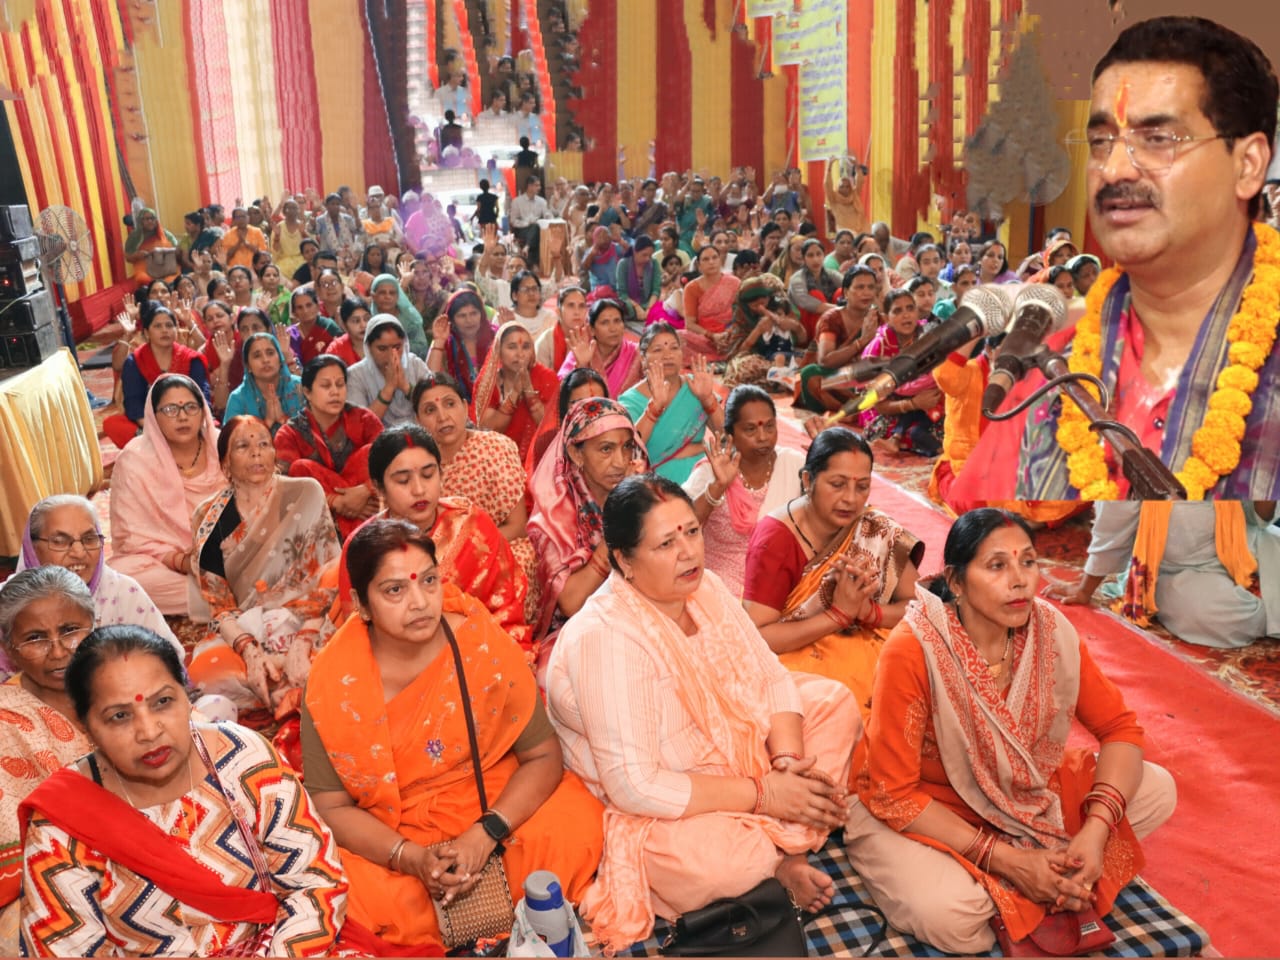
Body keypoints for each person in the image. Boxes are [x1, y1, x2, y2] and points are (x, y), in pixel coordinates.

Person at [955, 16, 1280, 501]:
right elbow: (982, 528)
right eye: (1101, 142)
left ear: (1248, 165)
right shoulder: (1049, 367)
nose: (1113, 170)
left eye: (1158, 139)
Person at [546, 474, 860, 952]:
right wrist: (764, 795)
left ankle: (786, 840)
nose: (689, 552)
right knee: (718, 864)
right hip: (666, 793)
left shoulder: (705, 588)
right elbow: (635, 785)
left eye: (692, 532)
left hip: (739, 751)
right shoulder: (605, 638)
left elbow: (770, 677)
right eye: (666, 543)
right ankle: (782, 852)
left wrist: (787, 765)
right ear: (624, 560)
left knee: (834, 704)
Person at [845, 508, 1177, 954]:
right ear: (956, 581)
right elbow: (896, 794)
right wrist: (1010, 861)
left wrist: (1095, 833)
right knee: (952, 917)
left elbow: (1119, 729)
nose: (1019, 580)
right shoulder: (914, 649)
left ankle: (1040, 879)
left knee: (1157, 789)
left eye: (1028, 562)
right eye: (997, 565)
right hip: (925, 808)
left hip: (1021, 796)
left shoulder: (1051, 631)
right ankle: (1032, 881)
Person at [303, 520, 601, 954]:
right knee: (343, 889)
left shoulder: (477, 641)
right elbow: (331, 807)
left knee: (578, 820)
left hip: (493, 808)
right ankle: (512, 912)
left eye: (428, 581)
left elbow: (542, 755)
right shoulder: (333, 682)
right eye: (394, 590)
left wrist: (485, 834)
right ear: (361, 605)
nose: (420, 602)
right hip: (393, 830)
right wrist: (411, 857)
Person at [20, 625, 347, 957]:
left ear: (186, 694)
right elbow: (64, 948)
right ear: (84, 725)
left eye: (163, 702)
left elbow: (314, 883)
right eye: (119, 716)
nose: (149, 732)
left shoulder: (243, 760)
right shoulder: (63, 822)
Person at [743, 428, 923, 716]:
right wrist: (838, 615)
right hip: (798, 654)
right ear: (807, 480)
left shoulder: (873, 528)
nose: (851, 499)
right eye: (837, 484)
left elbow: (919, 607)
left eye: (862, 487)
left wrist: (869, 613)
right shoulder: (776, 539)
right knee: (838, 702)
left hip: (867, 641)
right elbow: (759, 637)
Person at [187, 416, 340, 717]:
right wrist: (251, 652)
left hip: (310, 618)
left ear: (274, 453)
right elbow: (219, 604)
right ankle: (295, 688)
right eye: (243, 446)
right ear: (225, 463)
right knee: (204, 675)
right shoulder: (207, 516)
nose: (256, 452)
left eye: (264, 444)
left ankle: (284, 685)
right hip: (248, 624)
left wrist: (302, 644)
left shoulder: (305, 493)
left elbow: (329, 575)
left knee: (351, 647)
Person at [333, 426, 532, 651]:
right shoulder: (363, 547)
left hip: (477, 648)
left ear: (441, 474)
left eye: (428, 475)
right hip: (398, 658)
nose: (419, 490)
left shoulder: (471, 523)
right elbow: (360, 629)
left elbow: (505, 607)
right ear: (379, 488)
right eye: (403, 481)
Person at [0, 568, 94, 951]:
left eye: (71, 630)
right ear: (8, 648)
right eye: (35, 638)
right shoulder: (5, 721)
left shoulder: (125, 684)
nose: (58, 652)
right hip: (45, 880)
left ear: (94, 626)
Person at [1048, 500, 1280, 648]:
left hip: (1242, 545)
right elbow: (1112, 526)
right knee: (1214, 615)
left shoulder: (1237, 437)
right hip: (1171, 569)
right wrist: (1085, 589)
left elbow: (1258, 518)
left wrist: (1267, 469)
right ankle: (1266, 615)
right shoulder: (1135, 446)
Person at [414, 372, 541, 623]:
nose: (442, 417)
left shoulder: (495, 447)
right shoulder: (417, 464)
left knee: (519, 561)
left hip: (497, 544)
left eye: (450, 404)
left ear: (465, 407)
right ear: (418, 421)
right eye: (430, 410)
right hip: (435, 555)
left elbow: (517, 526)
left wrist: (464, 554)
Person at [527, 398, 648, 647]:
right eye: (606, 449)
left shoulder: (639, 490)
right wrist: (618, 521)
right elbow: (571, 603)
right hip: (579, 634)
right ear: (576, 453)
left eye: (627, 447)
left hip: (641, 617)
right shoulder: (553, 520)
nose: (620, 461)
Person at [108, 376, 225, 617]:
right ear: (154, 416)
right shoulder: (135, 460)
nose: (182, 417)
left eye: (190, 407)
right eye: (171, 410)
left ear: (203, 412)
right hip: (168, 564)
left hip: (228, 552)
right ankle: (227, 597)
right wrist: (181, 561)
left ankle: (221, 595)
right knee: (119, 578)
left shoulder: (224, 446)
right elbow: (131, 537)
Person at [682, 386, 806, 597]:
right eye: (750, 429)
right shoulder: (712, 470)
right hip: (721, 586)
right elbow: (682, 526)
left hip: (779, 580)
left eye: (769, 427)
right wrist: (718, 486)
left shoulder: (794, 465)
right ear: (730, 433)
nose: (763, 437)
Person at [14, 496, 177, 652]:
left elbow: (168, 656)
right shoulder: (10, 605)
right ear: (32, 548)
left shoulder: (123, 593)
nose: (79, 552)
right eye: (60, 541)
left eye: (89, 538)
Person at [275, 356, 384, 541]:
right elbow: (285, 487)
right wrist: (338, 502)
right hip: (320, 523)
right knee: (300, 468)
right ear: (307, 392)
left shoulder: (363, 419)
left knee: (372, 452)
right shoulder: (290, 434)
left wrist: (365, 490)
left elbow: (394, 461)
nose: (335, 392)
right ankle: (354, 538)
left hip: (370, 506)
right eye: (326, 385)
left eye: (340, 384)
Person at [620, 323, 725, 483]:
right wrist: (653, 409)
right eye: (658, 350)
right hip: (657, 482)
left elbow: (726, 435)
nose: (667, 355)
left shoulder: (695, 386)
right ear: (643, 358)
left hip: (703, 472)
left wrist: (707, 399)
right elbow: (629, 452)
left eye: (674, 348)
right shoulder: (631, 401)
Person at [104, 303, 212, 450]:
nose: (164, 330)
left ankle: (166, 445)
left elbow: (202, 396)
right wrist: (157, 431)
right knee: (113, 425)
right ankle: (155, 444)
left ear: (176, 330)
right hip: (150, 423)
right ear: (147, 333)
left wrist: (191, 422)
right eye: (158, 326)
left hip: (187, 418)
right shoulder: (135, 362)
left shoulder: (191, 359)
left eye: (169, 325)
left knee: (216, 429)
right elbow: (134, 403)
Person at [858, 288, 944, 457]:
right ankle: (900, 439)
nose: (906, 315)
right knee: (892, 428)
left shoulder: (928, 336)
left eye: (910, 308)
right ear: (886, 317)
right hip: (888, 407)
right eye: (897, 311)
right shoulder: (878, 348)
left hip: (929, 401)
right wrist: (913, 404)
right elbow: (878, 404)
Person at [796, 266, 881, 413]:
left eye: (871, 287)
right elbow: (825, 360)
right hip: (838, 379)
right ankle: (850, 411)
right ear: (846, 292)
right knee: (811, 375)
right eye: (860, 287)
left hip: (867, 380)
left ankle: (859, 409)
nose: (866, 292)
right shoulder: (831, 319)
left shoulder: (878, 318)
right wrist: (861, 342)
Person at [346, 314, 431, 426]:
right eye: (382, 349)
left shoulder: (416, 365)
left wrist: (405, 386)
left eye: (397, 347)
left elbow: (433, 405)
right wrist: (389, 388)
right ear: (369, 347)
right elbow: (360, 425)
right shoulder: (355, 375)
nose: (391, 355)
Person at [223, 332, 305, 435]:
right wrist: (268, 422)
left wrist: (283, 419)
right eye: (257, 356)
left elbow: (316, 432)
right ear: (248, 366)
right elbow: (232, 439)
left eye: (270, 353)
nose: (265, 360)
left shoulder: (300, 387)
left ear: (280, 358)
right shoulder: (238, 398)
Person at [558, 297, 642, 396]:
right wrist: (582, 366)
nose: (613, 329)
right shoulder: (582, 351)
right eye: (605, 322)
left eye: (617, 321)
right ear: (592, 330)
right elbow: (562, 390)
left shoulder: (636, 353)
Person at [427, 288, 495, 403]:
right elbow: (431, 376)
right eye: (462, 316)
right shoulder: (445, 342)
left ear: (482, 314)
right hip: (459, 406)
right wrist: (439, 341)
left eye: (474, 313)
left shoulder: (495, 337)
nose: (469, 320)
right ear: (452, 320)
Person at [680, 245, 741, 360]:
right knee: (679, 337)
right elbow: (690, 324)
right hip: (704, 337)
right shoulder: (691, 288)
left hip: (730, 334)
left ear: (720, 260)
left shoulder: (734, 283)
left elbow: (741, 315)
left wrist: (727, 333)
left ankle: (719, 353)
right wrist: (712, 336)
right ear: (699, 265)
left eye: (715, 257)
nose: (711, 262)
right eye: (706, 259)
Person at [788, 238, 845, 340]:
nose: (815, 259)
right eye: (810, 255)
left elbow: (850, 285)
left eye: (819, 254)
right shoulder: (797, 278)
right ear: (804, 258)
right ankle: (818, 340)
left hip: (830, 317)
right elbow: (806, 303)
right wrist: (840, 309)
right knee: (815, 295)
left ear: (824, 256)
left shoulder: (831, 274)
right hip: (804, 326)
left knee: (841, 292)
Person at [370, 273, 430, 358]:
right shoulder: (367, 319)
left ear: (398, 296)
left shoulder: (410, 318)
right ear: (373, 296)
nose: (388, 297)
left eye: (392, 293)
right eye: (382, 293)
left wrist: (396, 347)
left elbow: (422, 347)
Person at [534, 285, 588, 372]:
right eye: (571, 306)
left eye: (581, 306)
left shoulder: (592, 339)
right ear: (558, 312)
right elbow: (540, 378)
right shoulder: (545, 342)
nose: (577, 312)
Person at [123, 207, 179, 284]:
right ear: (141, 221)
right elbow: (128, 257)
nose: (150, 221)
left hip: (165, 265)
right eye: (147, 219)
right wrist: (137, 255)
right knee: (143, 279)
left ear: (156, 220)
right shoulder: (134, 237)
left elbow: (177, 249)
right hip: (144, 268)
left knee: (173, 278)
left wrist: (161, 251)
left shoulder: (165, 234)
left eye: (152, 218)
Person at [510, 175, 551, 266]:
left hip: (537, 229)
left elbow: (547, 215)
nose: (539, 188)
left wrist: (548, 215)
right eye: (537, 185)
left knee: (536, 229)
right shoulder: (517, 201)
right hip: (522, 229)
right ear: (529, 186)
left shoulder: (542, 201)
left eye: (539, 185)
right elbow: (513, 221)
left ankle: (527, 248)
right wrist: (526, 223)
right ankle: (534, 263)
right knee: (534, 229)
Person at [327, 295, 372, 366]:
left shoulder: (382, 341)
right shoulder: (336, 349)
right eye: (356, 321)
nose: (363, 325)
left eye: (366, 319)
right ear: (344, 326)